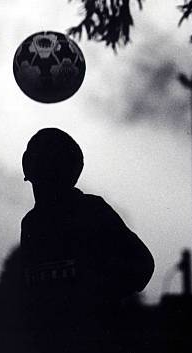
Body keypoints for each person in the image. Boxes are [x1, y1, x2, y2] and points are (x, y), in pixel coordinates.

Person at [19, 127, 154, 341]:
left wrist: (97, 295)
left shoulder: (91, 211)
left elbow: (143, 264)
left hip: (92, 348)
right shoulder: (31, 225)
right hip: (51, 350)